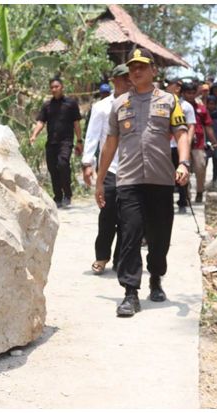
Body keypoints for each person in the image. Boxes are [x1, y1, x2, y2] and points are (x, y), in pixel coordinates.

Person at [95, 47, 190, 317]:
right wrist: (100, 181)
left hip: (161, 180)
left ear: (153, 70)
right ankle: (130, 293)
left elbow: (181, 134)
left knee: (160, 238)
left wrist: (183, 163)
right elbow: (110, 143)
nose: (136, 71)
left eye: (141, 66)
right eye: (132, 67)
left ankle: (156, 277)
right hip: (128, 180)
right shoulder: (119, 104)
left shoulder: (170, 101)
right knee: (130, 234)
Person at [81, 64, 131, 275]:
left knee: (127, 218)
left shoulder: (138, 104)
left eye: (130, 77)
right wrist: (87, 164)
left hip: (132, 169)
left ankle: (121, 259)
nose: (129, 81)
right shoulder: (101, 107)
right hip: (109, 167)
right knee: (107, 214)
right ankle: (101, 256)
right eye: (124, 78)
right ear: (114, 80)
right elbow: (92, 136)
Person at [30, 77, 83, 208]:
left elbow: (76, 123)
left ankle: (68, 194)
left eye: (56, 86)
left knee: (63, 164)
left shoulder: (71, 104)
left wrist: (79, 140)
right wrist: (34, 135)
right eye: (52, 87)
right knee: (53, 169)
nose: (54, 89)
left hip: (66, 141)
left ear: (62, 87)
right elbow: (41, 121)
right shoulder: (47, 105)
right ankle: (58, 197)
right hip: (51, 142)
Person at [182, 82, 217, 203]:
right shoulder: (178, 107)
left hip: (198, 144)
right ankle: (185, 194)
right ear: (183, 93)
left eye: (193, 93)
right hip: (182, 143)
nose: (191, 96)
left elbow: (208, 126)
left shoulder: (201, 109)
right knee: (184, 169)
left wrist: (214, 141)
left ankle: (199, 191)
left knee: (200, 168)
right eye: (188, 93)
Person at [164, 78, 196, 213]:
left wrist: (186, 146)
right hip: (166, 147)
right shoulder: (162, 104)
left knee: (182, 175)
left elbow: (191, 126)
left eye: (169, 85)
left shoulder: (186, 106)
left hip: (180, 147)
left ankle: (183, 201)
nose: (166, 87)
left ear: (177, 88)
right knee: (167, 176)